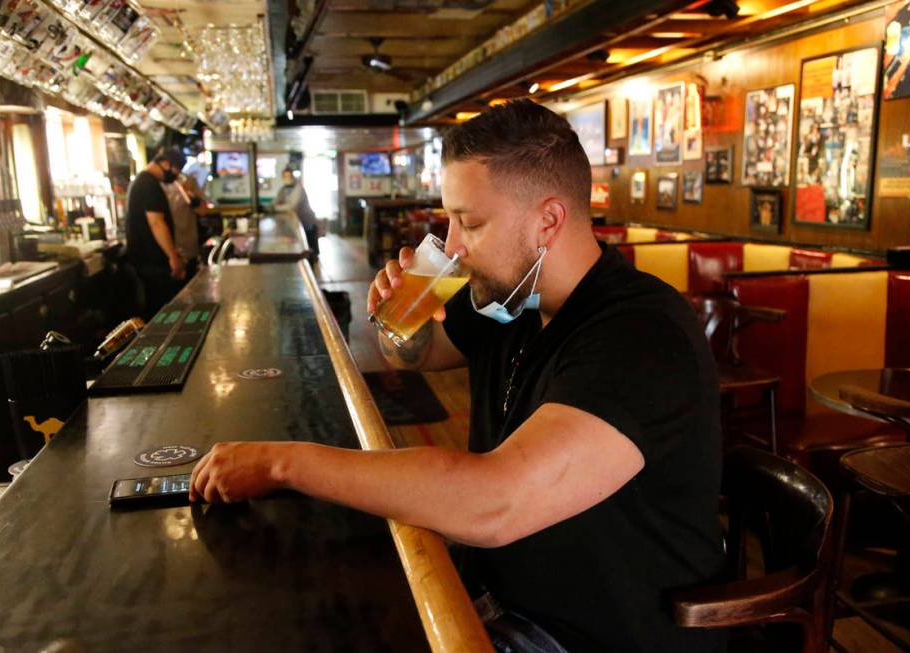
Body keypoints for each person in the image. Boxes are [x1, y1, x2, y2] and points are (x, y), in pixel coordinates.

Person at [189, 100, 725, 652]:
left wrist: (283, 462)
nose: (453, 244)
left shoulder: (640, 336)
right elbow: (414, 356)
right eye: (450, 219)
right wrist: (403, 314)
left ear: (547, 221)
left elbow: (494, 502)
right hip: (493, 597)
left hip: (589, 635)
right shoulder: (514, 294)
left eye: (470, 222)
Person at [125, 147, 187, 318]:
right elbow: (156, 223)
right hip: (152, 263)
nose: (175, 176)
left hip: (145, 262)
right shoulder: (148, 184)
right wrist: (173, 256)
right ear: (165, 163)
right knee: (160, 314)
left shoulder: (141, 181)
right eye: (176, 170)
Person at [274, 167, 319, 257]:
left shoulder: (298, 188)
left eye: (288, 176)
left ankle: (312, 268)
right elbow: (276, 201)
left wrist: (276, 207)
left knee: (310, 249)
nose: (287, 178)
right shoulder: (283, 189)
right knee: (302, 249)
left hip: (307, 221)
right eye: (285, 176)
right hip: (297, 222)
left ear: (292, 176)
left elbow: (292, 206)